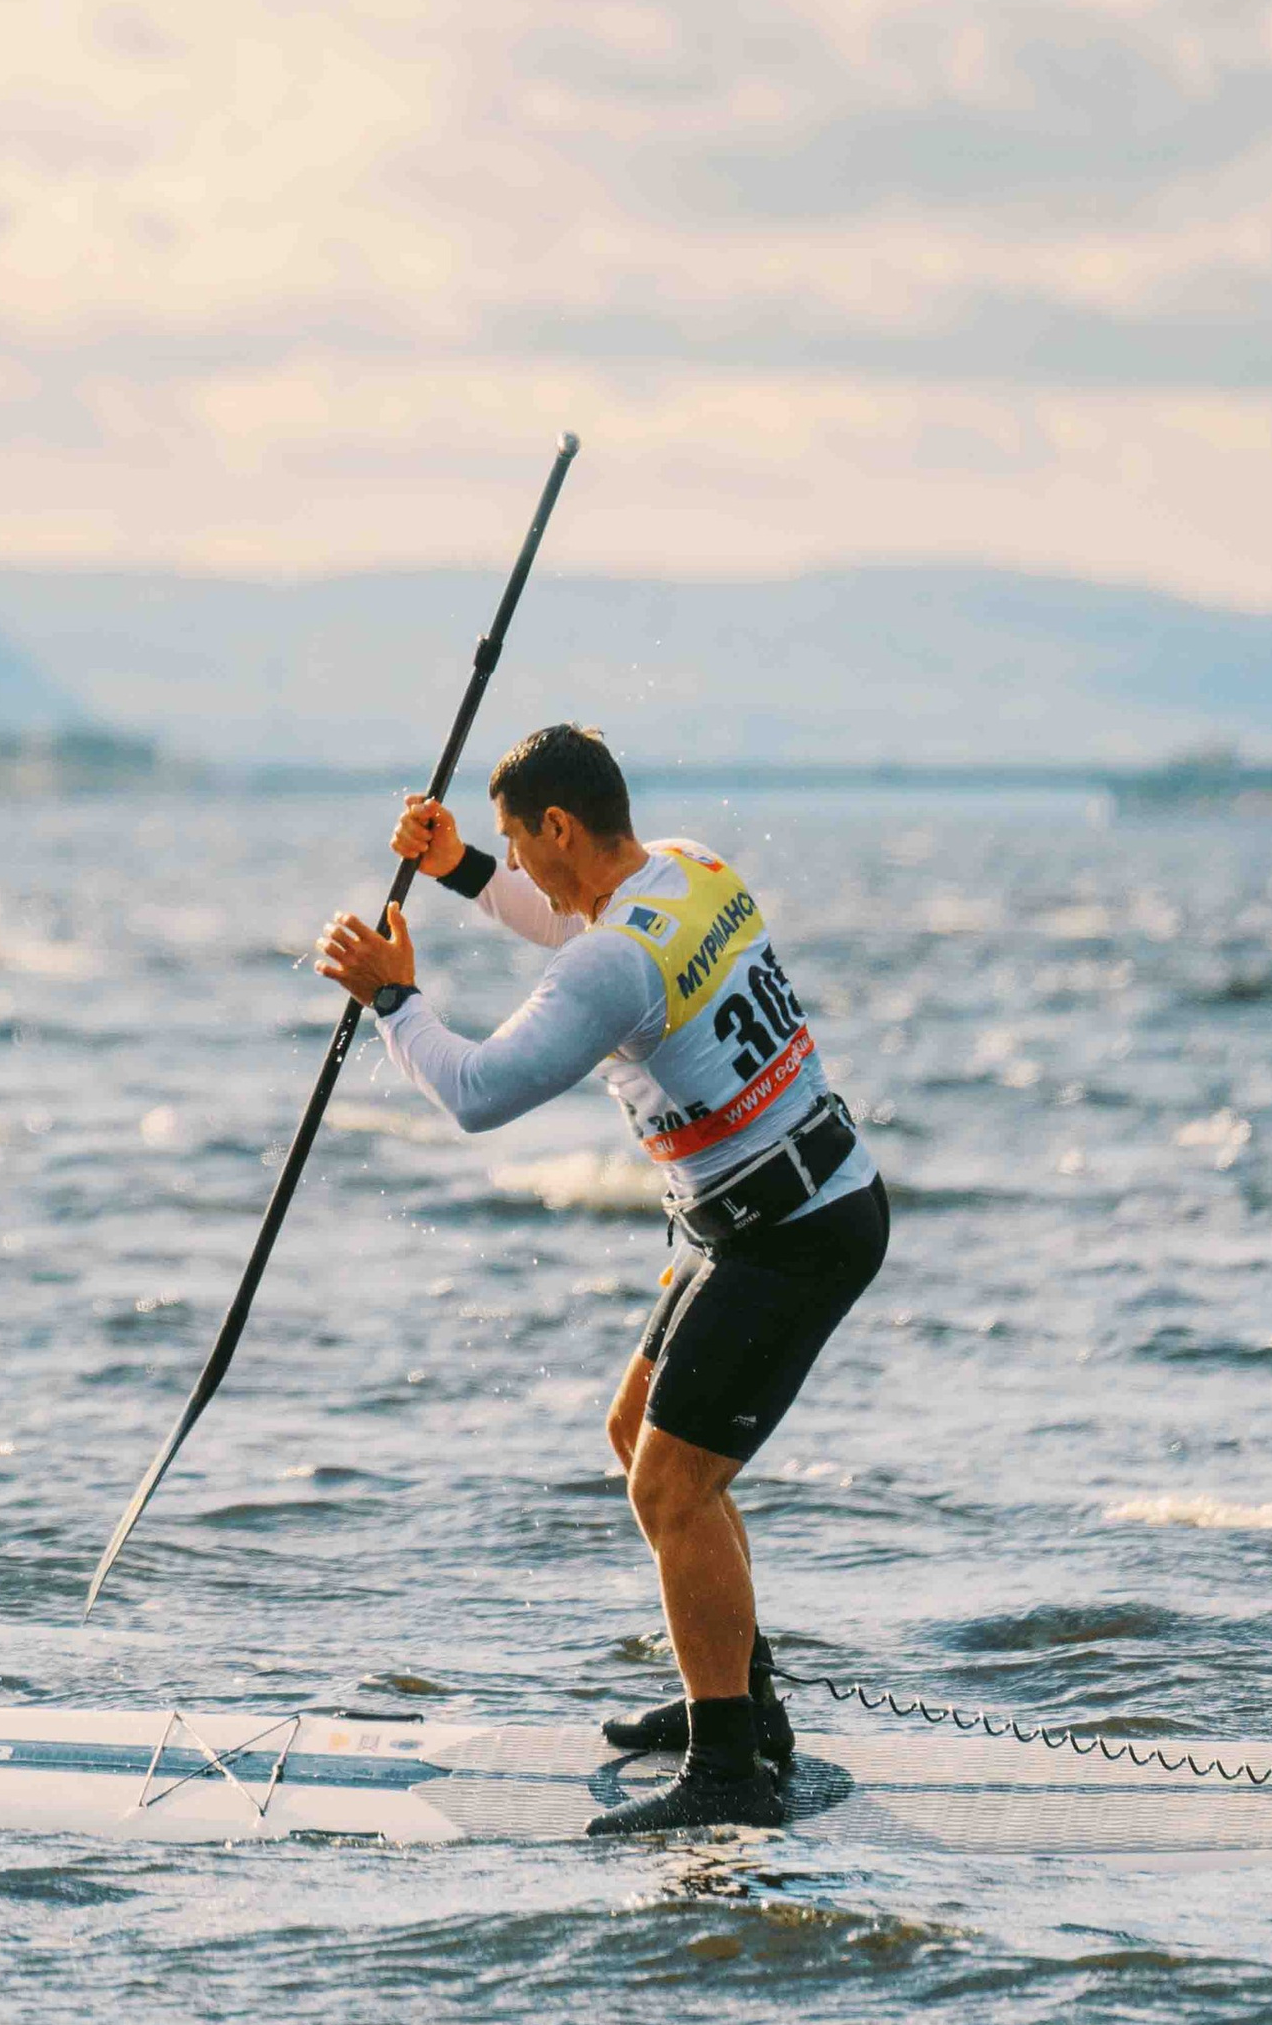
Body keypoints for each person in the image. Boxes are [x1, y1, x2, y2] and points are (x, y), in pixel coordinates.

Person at [315, 720, 887, 1838]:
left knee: (670, 1488)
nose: (514, 863)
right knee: (639, 1436)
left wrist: (394, 1001)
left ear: (561, 826)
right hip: (779, 1209)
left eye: (516, 843)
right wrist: (459, 871)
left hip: (794, 1231)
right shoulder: (684, 870)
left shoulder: (606, 963)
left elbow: (477, 1092)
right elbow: (571, 928)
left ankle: (728, 1772)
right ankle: (742, 1704)